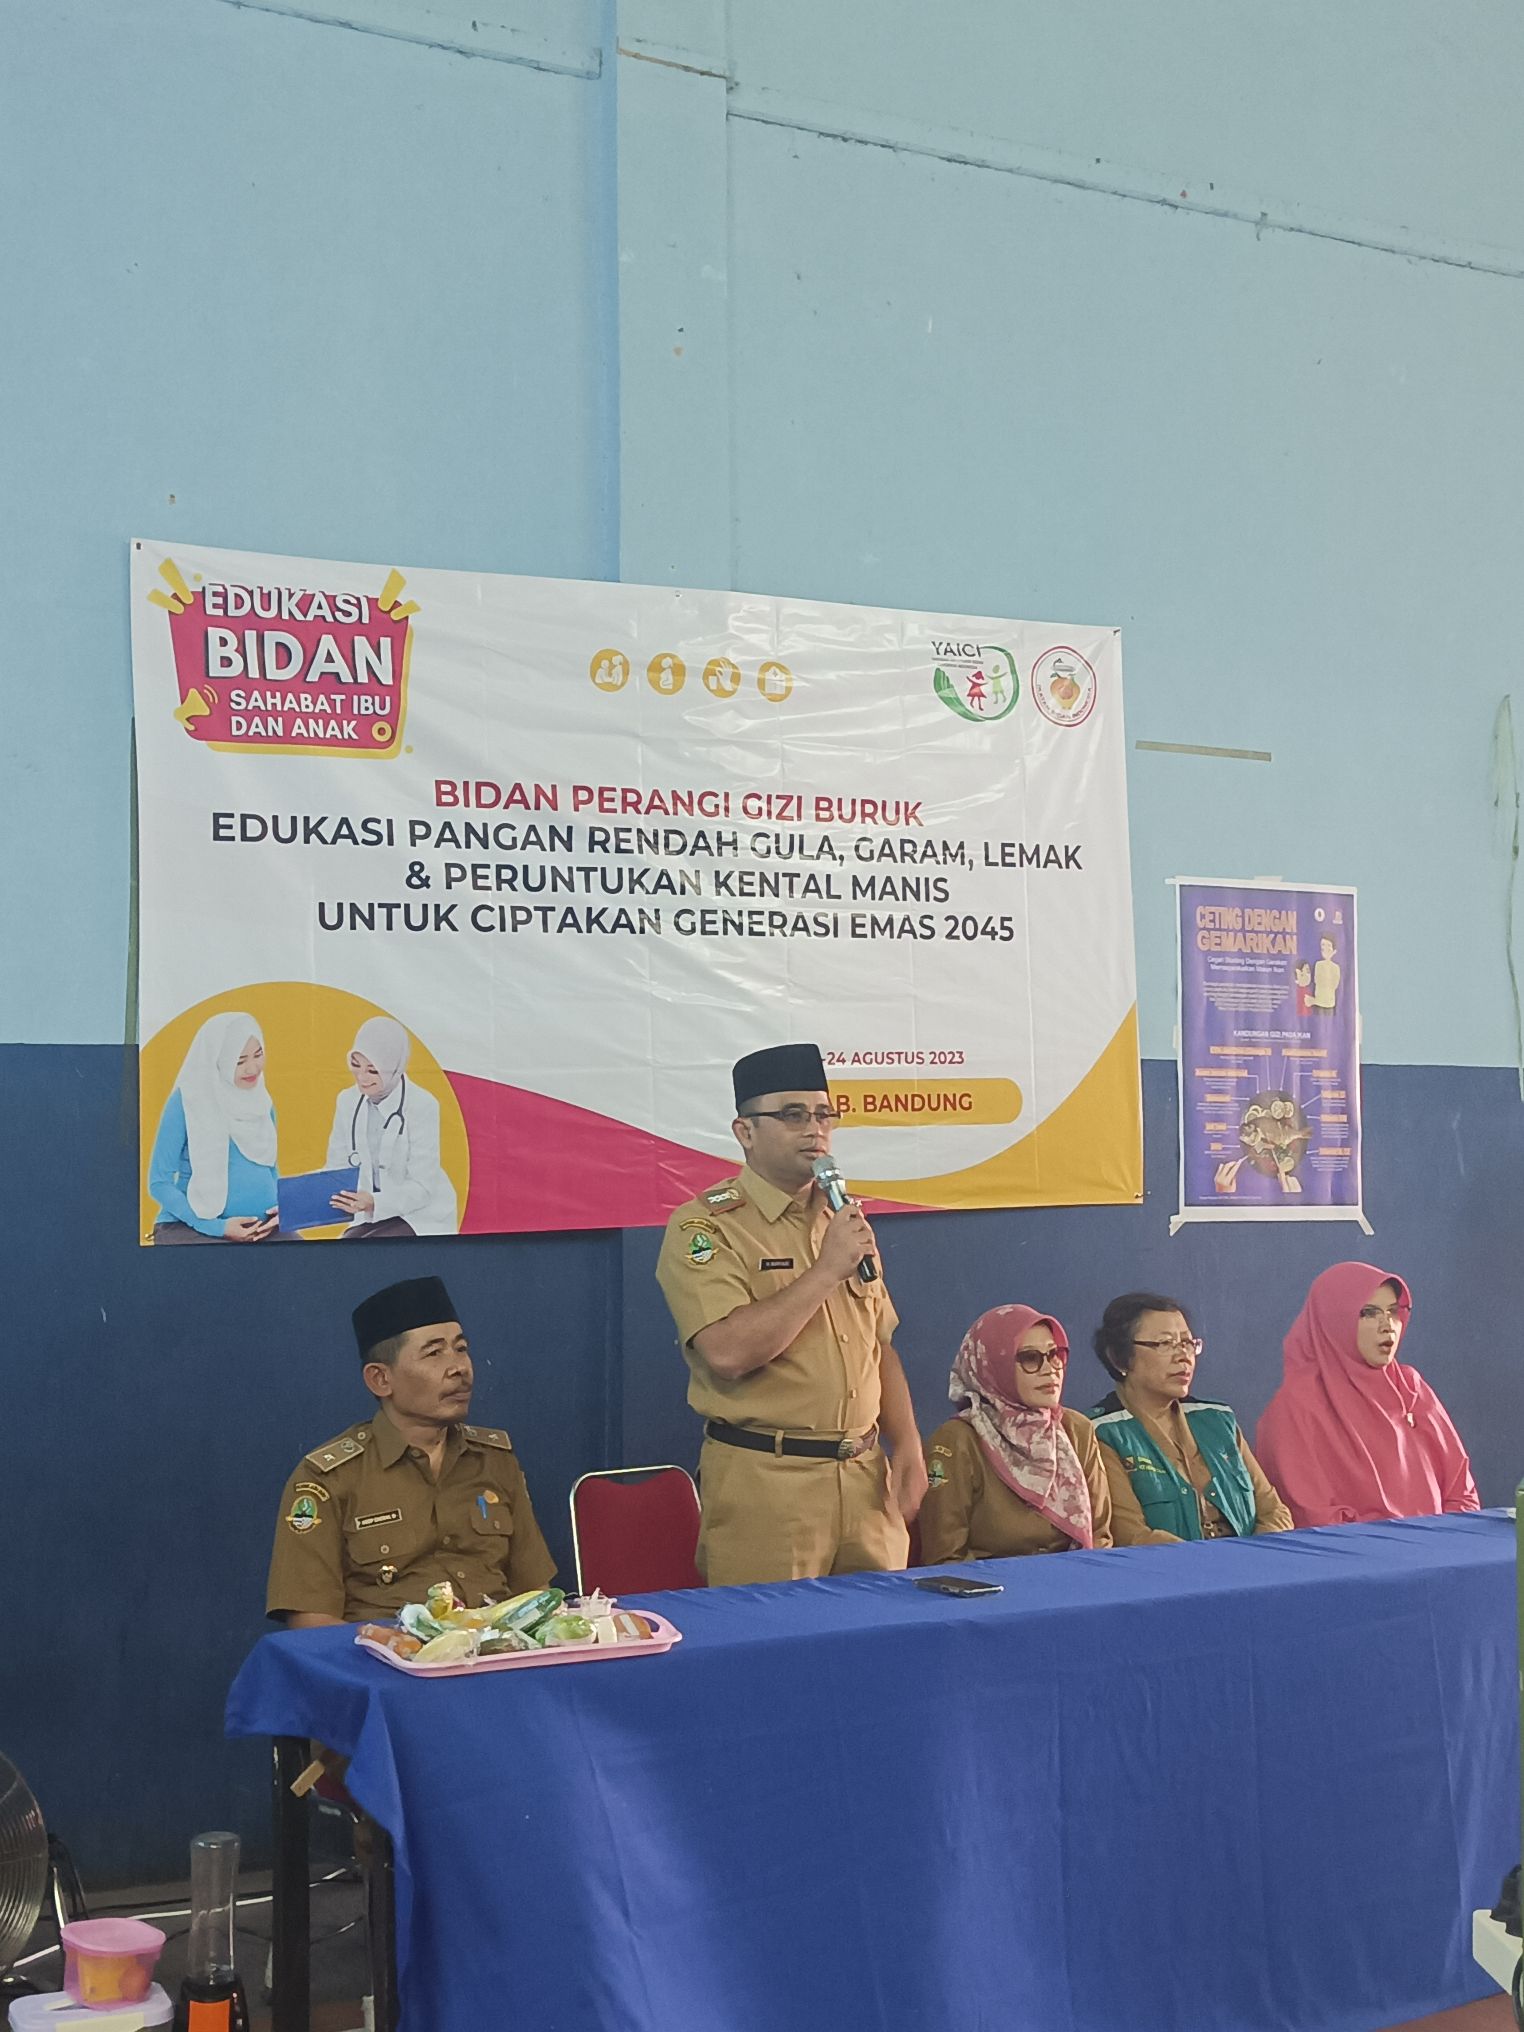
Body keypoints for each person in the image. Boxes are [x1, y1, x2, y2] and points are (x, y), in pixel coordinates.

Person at [654, 1042, 927, 1586]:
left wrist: (909, 1444)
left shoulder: (842, 1218)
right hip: (770, 1485)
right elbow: (727, 1352)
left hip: (865, 1479)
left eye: (824, 1115)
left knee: (878, 1632)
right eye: (793, 1115)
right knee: (772, 1637)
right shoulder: (706, 1227)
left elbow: (878, 1344)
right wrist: (825, 1271)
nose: (815, 1130)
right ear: (745, 1131)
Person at [266, 1275, 554, 1625]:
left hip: (497, 1651)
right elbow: (310, 1625)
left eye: (461, 1348)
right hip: (383, 1655)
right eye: (434, 1353)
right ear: (380, 1379)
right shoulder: (328, 1478)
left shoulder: (494, 1460)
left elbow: (536, 1595)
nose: (459, 1368)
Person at [1254, 1262, 1480, 1527]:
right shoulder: (1295, 1407)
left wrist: (1447, 1541)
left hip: (1442, 1547)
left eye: (1393, 1311)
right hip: (1356, 1553)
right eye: (1369, 1313)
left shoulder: (1410, 1386)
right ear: (1333, 1320)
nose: (1388, 1326)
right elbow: (1314, 1518)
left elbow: (1462, 1493)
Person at [1089, 1291, 1292, 1544]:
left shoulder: (1217, 1420)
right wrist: (1208, 1563)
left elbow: (1274, 1512)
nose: (1183, 1356)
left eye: (1187, 1343)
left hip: (1250, 1562)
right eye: (1165, 1343)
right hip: (1170, 1568)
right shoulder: (1100, 1433)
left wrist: (1254, 1556)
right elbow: (1132, 1536)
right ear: (1118, 1357)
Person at [918, 1304, 1113, 1562]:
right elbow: (945, 1560)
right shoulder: (958, 1440)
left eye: (1055, 1354)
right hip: (990, 1586)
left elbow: (1100, 1539)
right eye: (1030, 1358)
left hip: (1074, 1580)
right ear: (994, 1366)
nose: (1050, 1368)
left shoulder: (1076, 1430)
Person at [148, 1011, 282, 1243]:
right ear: (217, 1060)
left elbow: (269, 1168)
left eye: (258, 1055)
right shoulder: (186, 1101)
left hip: (262, 1229)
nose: (252, 1068)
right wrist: (216, 1227)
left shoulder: (262, 1104)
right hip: (194, 1227)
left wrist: (282, 1209)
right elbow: (159, 1183)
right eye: (239, 1061)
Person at [324, 1016, 458, 1238]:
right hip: (371, 1213)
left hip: (421, 1213)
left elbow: (423, 1187)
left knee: (371, 1251)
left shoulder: (422, 1104)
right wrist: (295, 1205)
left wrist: (374, 1202)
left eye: (373, 1070)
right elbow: (335, 1168)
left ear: (394, 1067)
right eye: (356, 1066)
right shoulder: (347, 1101)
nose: (362, 1078)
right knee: (343, 1249)